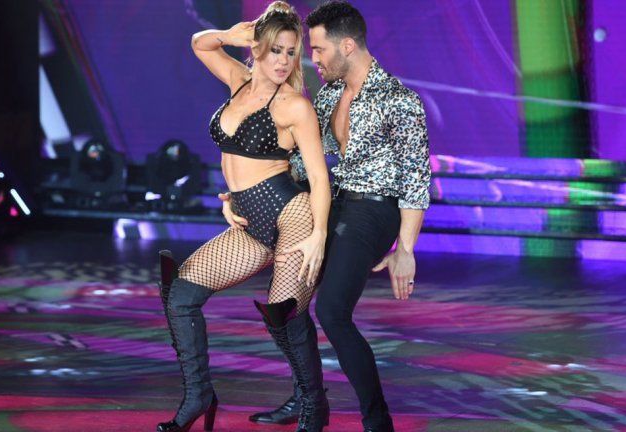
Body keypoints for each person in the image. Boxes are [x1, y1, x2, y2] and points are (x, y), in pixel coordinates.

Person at [246, 2, 432, 431]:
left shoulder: (399, 101)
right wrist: (250, 181)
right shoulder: (330, 94)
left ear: (347, 45)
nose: (312, 58)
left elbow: (416, 179)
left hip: (375, 210)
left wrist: (405, 249)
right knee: (287, 304)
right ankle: (307, 399)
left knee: (332, 311)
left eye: (318, 49)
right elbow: (302, 160)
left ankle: (377, 421)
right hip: (333, 201)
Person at [156, 2, 331, 431]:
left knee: (284, 313)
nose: (284, 61)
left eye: (291, 52)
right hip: (249, 221)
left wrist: (319, 236)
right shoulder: (238, 80)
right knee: (181, 293)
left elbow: (319, 177)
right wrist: (230, 36)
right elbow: (199, 44)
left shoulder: (294, 106)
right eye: (275, 50)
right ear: (257, 48)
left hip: (293, 215)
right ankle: (198, 397)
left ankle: (313, 406)